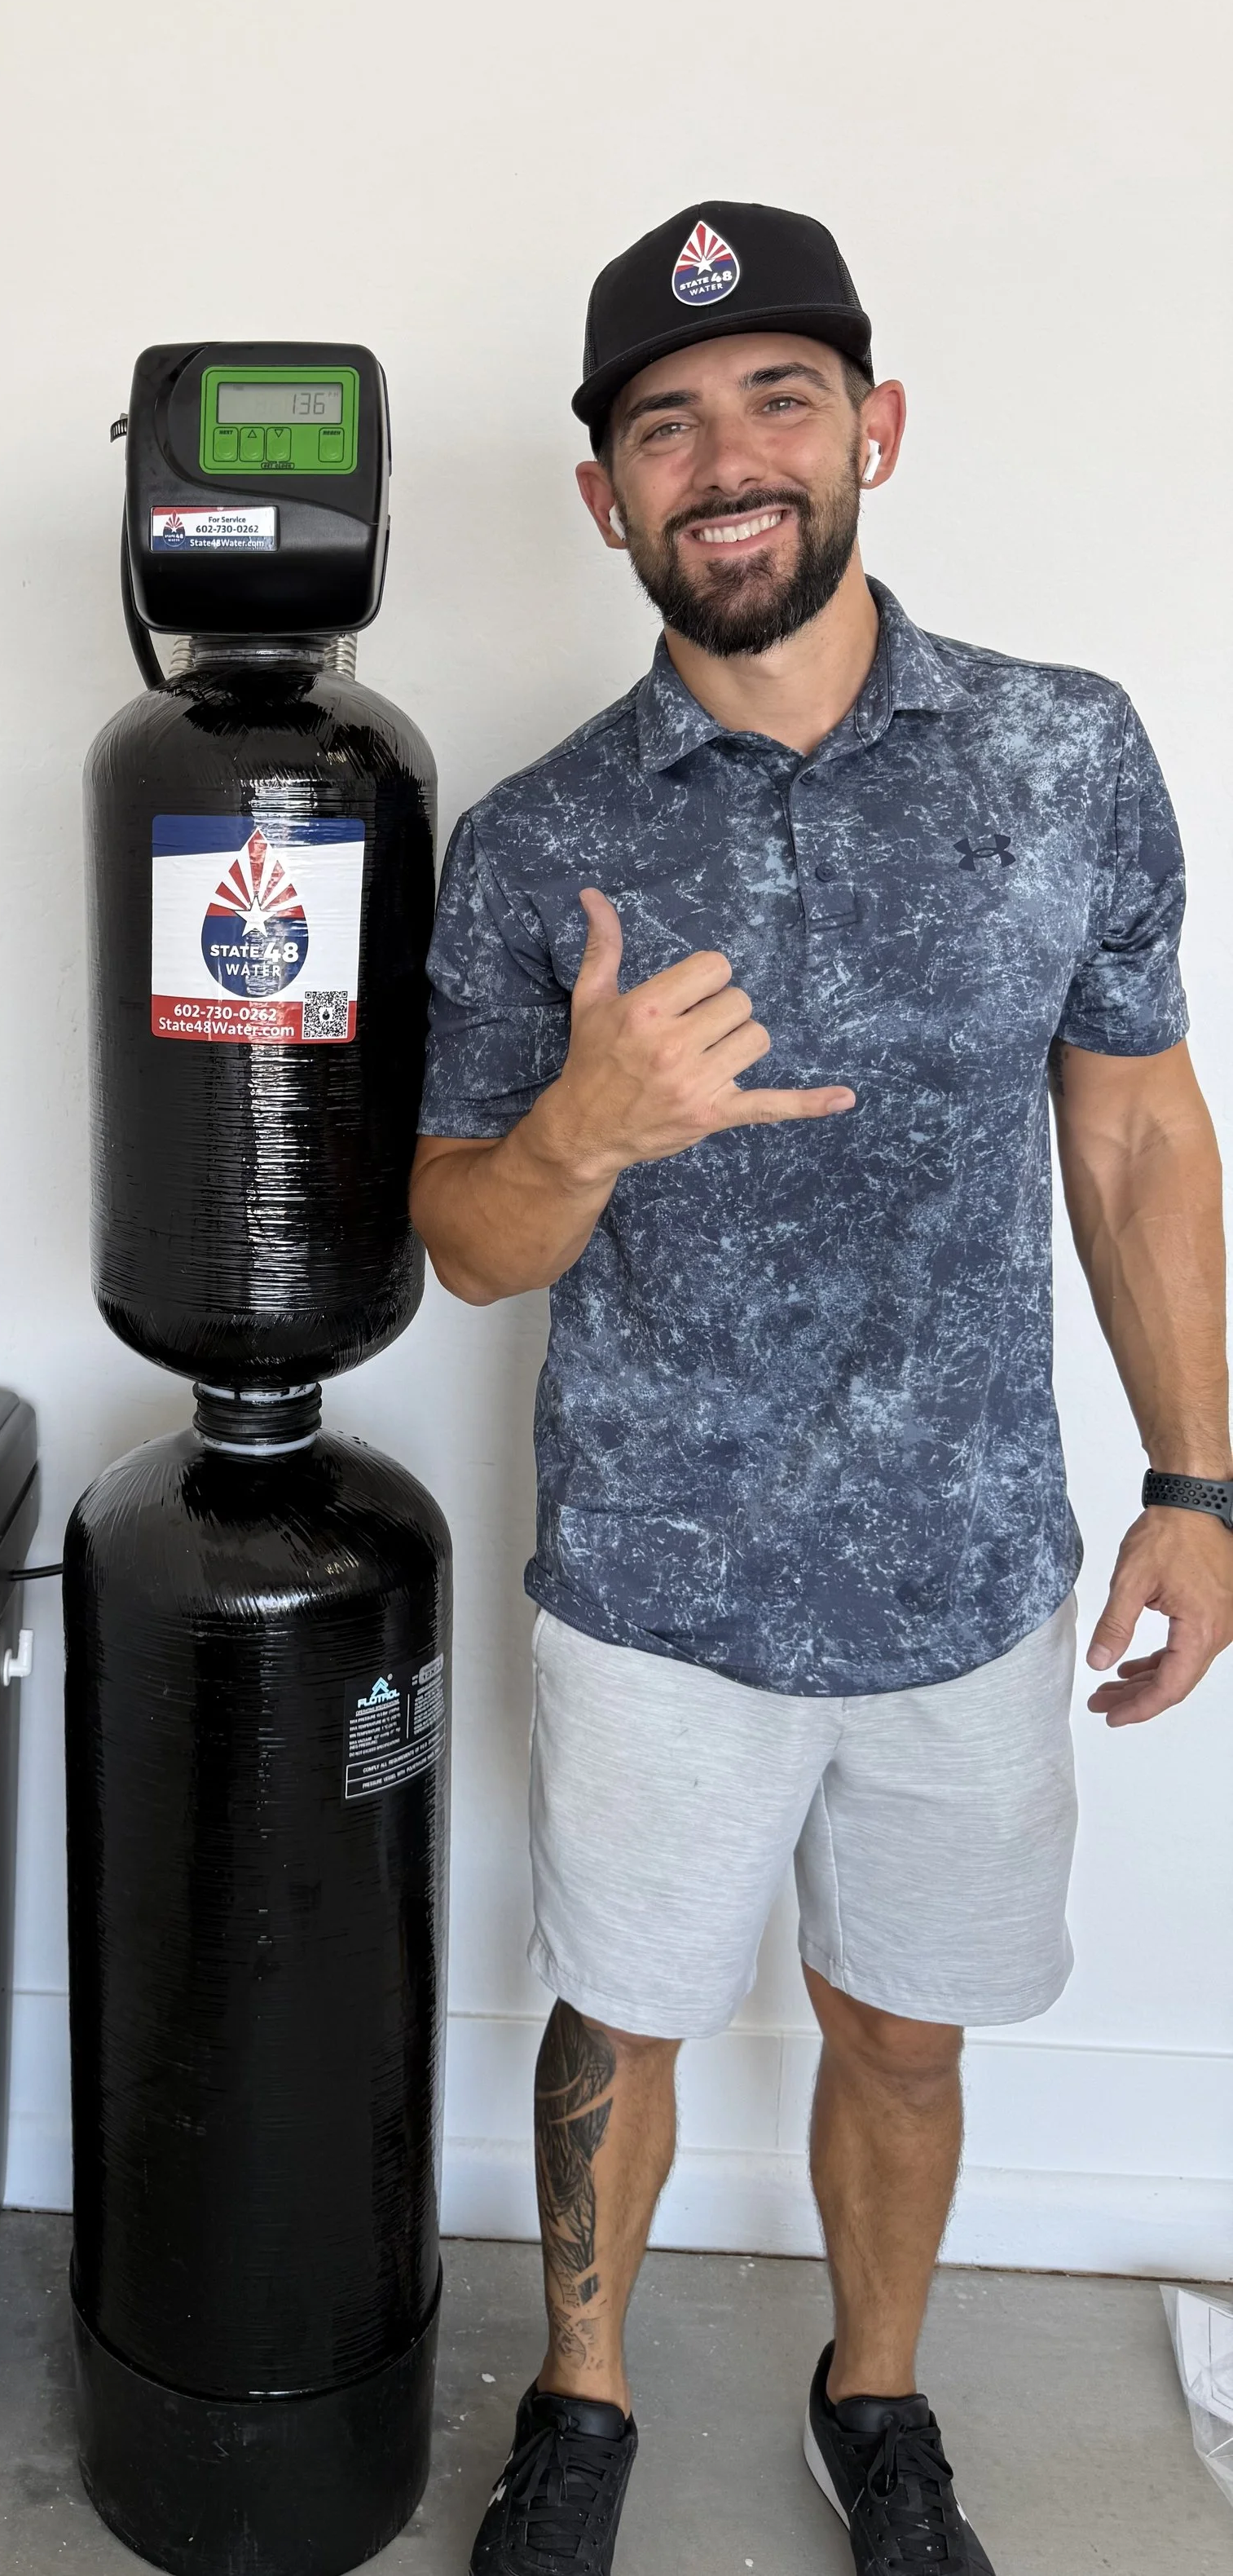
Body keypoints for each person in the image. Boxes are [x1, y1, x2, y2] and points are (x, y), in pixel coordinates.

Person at [409, 202, 1233, 2576]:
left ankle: (874, 2396)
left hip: (965, 1573)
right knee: (621, 2015)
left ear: (869, 431)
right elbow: (464, 1248)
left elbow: (1135, 1123)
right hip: (654, 1572)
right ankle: (579, 2400)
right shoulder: (538, 839)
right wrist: (580, 1127)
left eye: (775, 397)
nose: (723, 456)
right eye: (660, 424)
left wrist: (1198, 1475)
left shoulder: (1061, 752)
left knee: (896, 2031)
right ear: (604, 501)